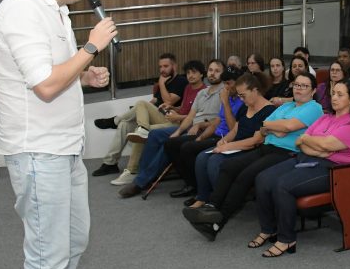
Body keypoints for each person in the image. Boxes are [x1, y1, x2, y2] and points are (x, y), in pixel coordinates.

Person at [0, 0, 117, 269]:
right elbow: (44, 85)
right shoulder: (20, 11)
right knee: (46, 252)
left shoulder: (56, 9)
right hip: (37, 151)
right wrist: (92, 49)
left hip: (66, 148)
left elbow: (51, 71)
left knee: (76, 238)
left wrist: (84, 74)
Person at [182, 73, 323, 240]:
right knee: (229, 166)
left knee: (246, 175)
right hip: (267, 146)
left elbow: (290, 126)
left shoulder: (314, 108)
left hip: (287, 153)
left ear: (313, 91)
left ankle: (217, 221)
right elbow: (263, 126)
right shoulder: (286, 107)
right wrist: (276, 128)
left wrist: (277, 127)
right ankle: (211, 207)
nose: (299, 89)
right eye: (297, 85)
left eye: (304, 86)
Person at [252, 79, 350, 257]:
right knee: (262, 179)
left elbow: (326, 145)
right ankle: (269, 229)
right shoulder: (326, 117)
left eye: (340, 95)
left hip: (334, 170)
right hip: (307, 157)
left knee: (282, 185)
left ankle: (286, 239)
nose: (334, 98)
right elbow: (301, 141)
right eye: (333, 93)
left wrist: (315, 145)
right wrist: (316, 147)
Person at [116, 61, 234, 199]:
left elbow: (220, 120)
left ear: (223, 73)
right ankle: (143, 176)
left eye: (217, 71)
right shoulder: (202, 93)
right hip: (188, 126)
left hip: (206, 130)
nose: (212, 73)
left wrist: (199, 125)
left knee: (170, 143)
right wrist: (177, 132)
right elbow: (190, 117)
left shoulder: (225, 92)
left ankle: (140, 182)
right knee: (154, 134)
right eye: (210, 70)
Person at [186, 73, 277, 209]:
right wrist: (224, 140)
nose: (241, 99)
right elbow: (235, 129)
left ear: (255, 91)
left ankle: (221, 201)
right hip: (235, 146)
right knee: (201, 157)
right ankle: (203, 197)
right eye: (239, 95)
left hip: (251, 149)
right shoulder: (245, 107)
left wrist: (228, 146)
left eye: (243, 95)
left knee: (214, 161)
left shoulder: (269, 111)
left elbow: (256, 140)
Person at [92, 54, 187, 177]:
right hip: (156, 116)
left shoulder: (181, 81)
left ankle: (116, 120)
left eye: (166, 66)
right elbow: (154, 102)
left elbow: (168, 101)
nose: (162, 70)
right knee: (125, 124)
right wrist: (141, 109)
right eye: (160, 67)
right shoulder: (164, 81)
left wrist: (161, 84)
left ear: (174, 66)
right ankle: (110, 163)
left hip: (169, 118)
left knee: (140, 106)